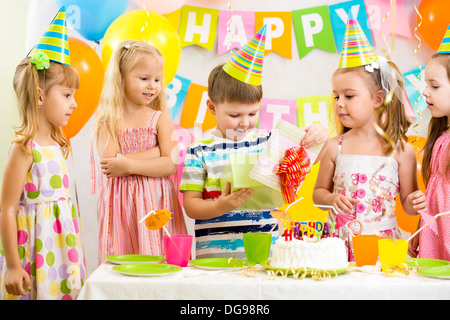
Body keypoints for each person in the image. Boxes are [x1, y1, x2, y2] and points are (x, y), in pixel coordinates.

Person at [180, 26, 328, 259]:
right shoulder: (198, 150)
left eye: (252, 113)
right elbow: (190, 206)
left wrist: (319, 134)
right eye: (234, 115)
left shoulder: (268, 142)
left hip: (267, 253)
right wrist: (220, 207)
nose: (244, 123)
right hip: (215, 257)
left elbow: (310, 159)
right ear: (211, 107)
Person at [313, 15, 426, 260]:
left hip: (382, 247)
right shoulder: (335, 147)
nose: (339, 104)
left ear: (377, 99)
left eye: (349, 96)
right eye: (336, 96)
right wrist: (331, 199)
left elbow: (406, 205)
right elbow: (318, 193)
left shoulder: (401, 151)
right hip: (338, 246)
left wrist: (414, 201)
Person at [0, 7, 86, 299]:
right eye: (66, 95)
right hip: (34, 250)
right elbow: (7, 209)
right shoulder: (25, 149)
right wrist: (12, 266)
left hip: (63, 252)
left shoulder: (61, 145)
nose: (74, 104)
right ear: (39, 96)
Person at [92, 40, 187, 264]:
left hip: (157, 201)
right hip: (121, 205)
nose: (152, 86)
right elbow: (111, 165)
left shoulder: (160, 119)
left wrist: (129, 165)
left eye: (157, 80)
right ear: (121, 78)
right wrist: (155, 152)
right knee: (125, 263)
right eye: (144, 79)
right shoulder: (107, 121)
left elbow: (170, 164)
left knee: (160, 260)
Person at [408, 50, 450, 259]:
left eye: (434, 86)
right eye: (426, 85)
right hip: (433, 229)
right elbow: (433, 192)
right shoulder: (440, 134)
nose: (425, 92)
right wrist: (420, 227)